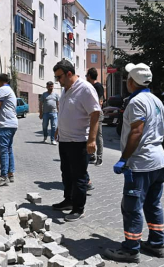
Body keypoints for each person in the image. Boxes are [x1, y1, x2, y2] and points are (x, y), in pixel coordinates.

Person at [104, 63, 164, 263]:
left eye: (127, 79)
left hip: (142, 164)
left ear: (132, 82)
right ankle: (157, 244)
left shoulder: (137, 102)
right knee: (153, 204)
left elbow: (137, 131)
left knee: (132, 208)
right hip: (159, 161)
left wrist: (124, 158)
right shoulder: (157, 100)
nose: (126, 82)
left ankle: (131, 250)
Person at [52, 60, 101, 222]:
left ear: (69, 74)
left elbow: (95, 114)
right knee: (66, 173)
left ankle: (78, 208)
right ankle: (68, 200)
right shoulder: (66, 89)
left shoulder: (85, 89)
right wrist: (59, 129)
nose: (57, 80)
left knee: (78, 176)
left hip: (79, 141)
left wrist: (92, 140)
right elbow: (64, 112)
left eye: (59, 77)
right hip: (65, 140)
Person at [0, 73, 18, 187]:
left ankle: (3, 176)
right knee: (8, 149)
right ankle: (10, 173)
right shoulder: (10, 90)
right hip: (11, 124)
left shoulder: (2, 90)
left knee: (4, 150)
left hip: (4, 124)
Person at [86, 68, 104, 166]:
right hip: (90, 113)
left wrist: (96, 112)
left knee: (98, 136)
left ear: (89, 76)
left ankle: (99, 158)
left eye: (86, 76)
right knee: (90, 134)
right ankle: (91, 155)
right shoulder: (91, 86)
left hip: (97, 113)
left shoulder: (98, 86)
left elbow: (100, 100)